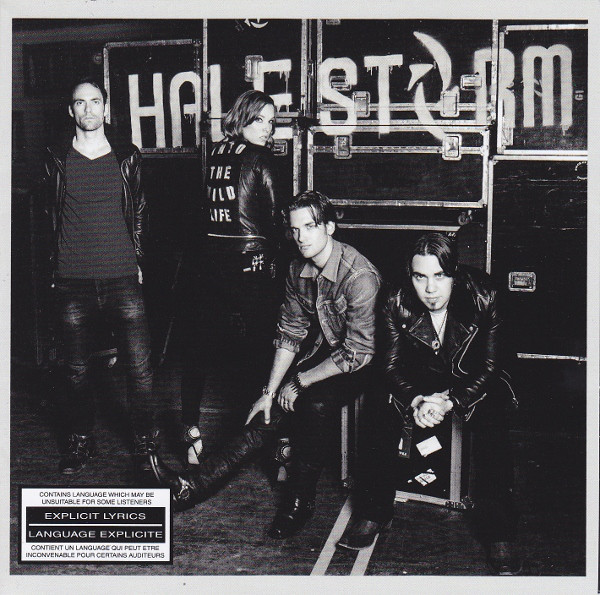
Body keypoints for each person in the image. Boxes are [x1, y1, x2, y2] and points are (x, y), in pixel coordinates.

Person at [151, 190, 381, 539]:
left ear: (330, 227)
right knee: (266, 412)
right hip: (326, 352)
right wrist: (270, 392)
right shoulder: (297, 269)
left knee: (315, 404)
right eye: (295, 229)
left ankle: (300, 501)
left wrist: (300, 381)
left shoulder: (359, 275)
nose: (300, 237)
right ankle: (191, 487)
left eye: (310, 227)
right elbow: (290, 333)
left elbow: (358, 352)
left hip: (366, 363)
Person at [338, 232, 521, 576]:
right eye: (420, 277)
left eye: (440, 276)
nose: (431, 289)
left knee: (493, 420)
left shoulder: (485, 294)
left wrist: (452, 401)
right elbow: (390, 366)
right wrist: (417, 399)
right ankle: (374, 511)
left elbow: (490, 367)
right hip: (418, 380)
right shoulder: (395, 298)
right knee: (379, 403)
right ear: (410, 276)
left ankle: (499, 532)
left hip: (469, 380)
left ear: (454, 274)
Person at [43, 77, 158, 475]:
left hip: (121, 275)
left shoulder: (126, 154)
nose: (89, 109)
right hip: (72, 278)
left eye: (95, 101)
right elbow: (47, 215)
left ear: (106, 108)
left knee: (140, 368)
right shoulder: (56, 156)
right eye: (81, 102)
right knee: (75, 371)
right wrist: (52, 267)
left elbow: (139, 208)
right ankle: (80, 441)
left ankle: (145, 444)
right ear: (70, 110)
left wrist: (138, 258)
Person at [179, 90, 280, 465]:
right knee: (265, 351)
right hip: (250, 266)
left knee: (197, 350)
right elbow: (275, 218)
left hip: (211, 266)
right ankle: (273, 443)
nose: (267, 129)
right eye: (260, 119)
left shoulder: (216, 153)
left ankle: (190, 431)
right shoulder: (260, 158)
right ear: (242, 118)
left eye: (271, 122)